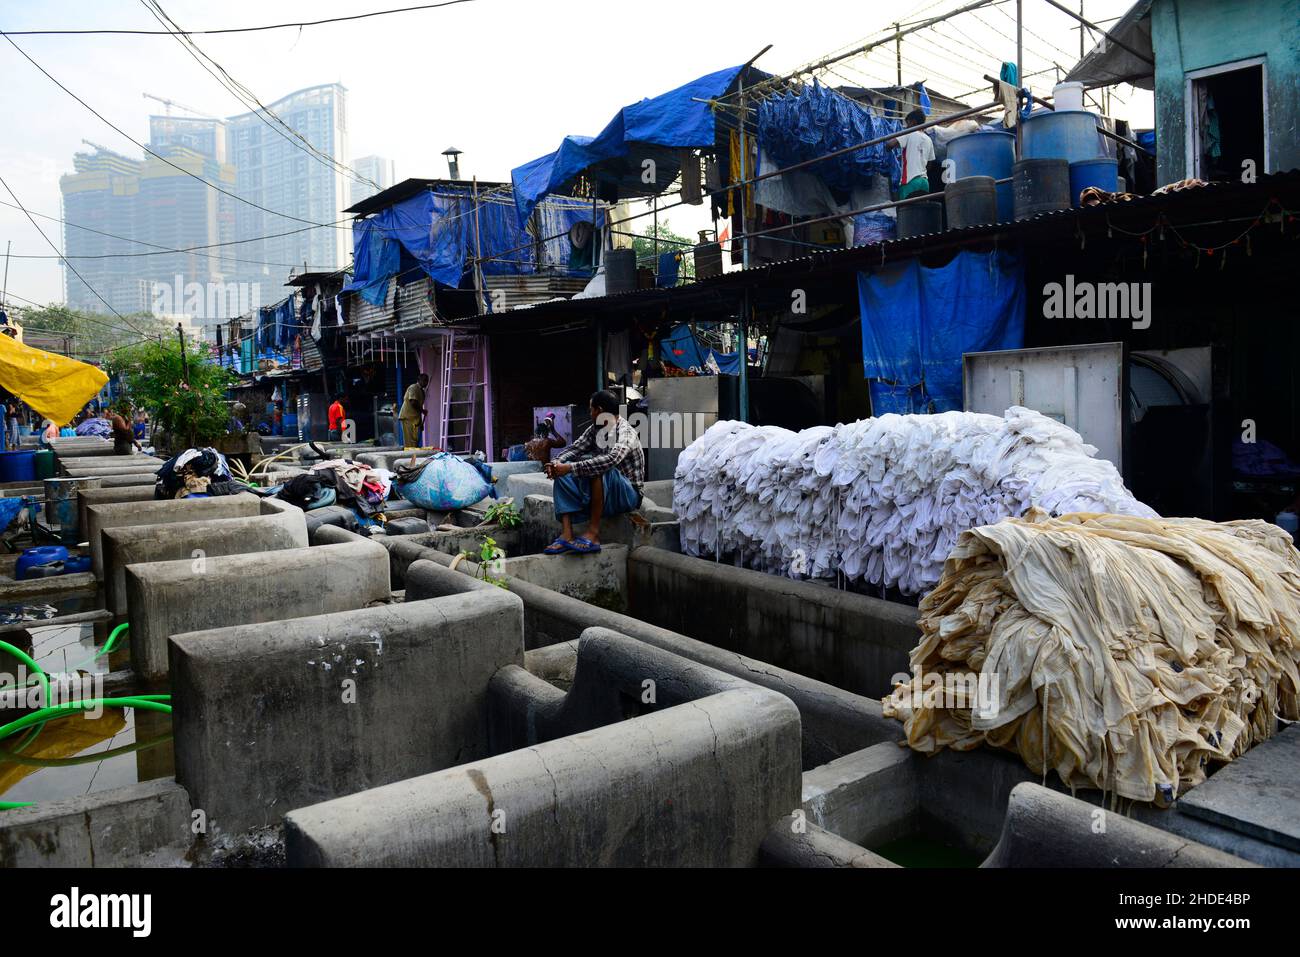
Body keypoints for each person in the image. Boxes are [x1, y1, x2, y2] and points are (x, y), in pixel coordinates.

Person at [542, 390, 644, 555]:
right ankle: (567, 534)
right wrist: (556, 464)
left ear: (600, 410)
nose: (590, 413)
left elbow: (611, 460)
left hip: (627, 495)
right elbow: (575, 448)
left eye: (591, 409)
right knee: (563, 470)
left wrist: (570, 468)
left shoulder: (625, 432)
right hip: (602, 492)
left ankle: (593, 533)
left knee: (600, 468)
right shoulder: (595, 429)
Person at [893, 108, 935, 200]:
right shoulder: (928, 139)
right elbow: (930, 164)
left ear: (913, 122)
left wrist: (887, 147)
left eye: (908, 123)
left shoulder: (909, 133)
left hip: (910, 181)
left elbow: (890, 144)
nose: (907, 127)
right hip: (924, 182)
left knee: (907, 211)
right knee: (922, 211)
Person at [399, 374, 428, 449]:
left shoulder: (422, 392)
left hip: (414, 419)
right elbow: (413, 402)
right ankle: (410, 458)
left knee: (414, 442)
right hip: (408, 418)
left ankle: (413, 458)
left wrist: (420, 423)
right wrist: (423, 411)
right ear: (419, 380)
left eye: (427, 381)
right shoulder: (413, 387)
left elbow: (418, 408)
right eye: (424, 380)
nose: (426, 383)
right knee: (410, 443)